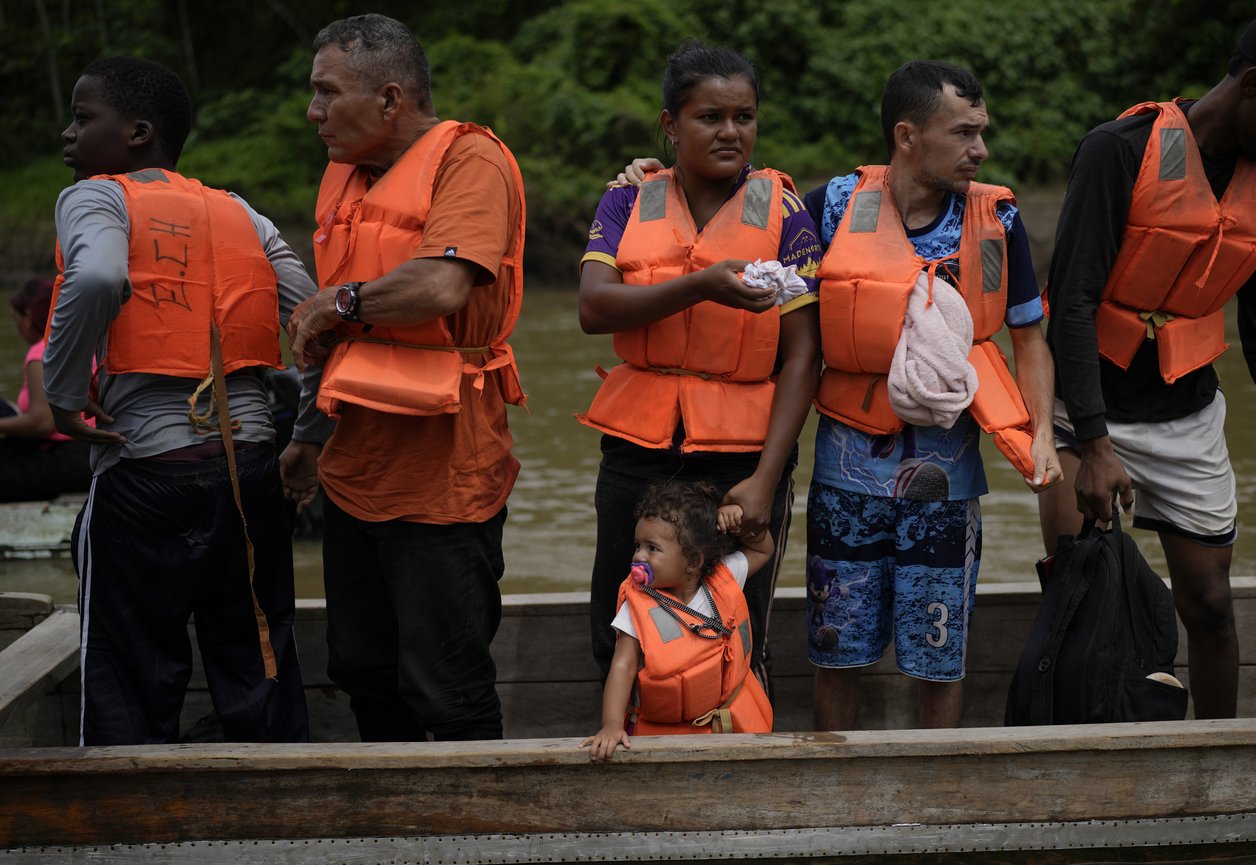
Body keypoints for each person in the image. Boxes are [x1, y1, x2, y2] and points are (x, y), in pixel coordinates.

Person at [1039, 6, 1256, 720]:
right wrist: (1091, 445)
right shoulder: (1118, 150)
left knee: (1213, 606)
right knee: (1082, 599)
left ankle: (1214, 766)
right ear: (1252, 83)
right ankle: (1077, 762)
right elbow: (1071, 303)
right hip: (1080, 415)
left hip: (1185, 416)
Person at [42, 56, 310, 745]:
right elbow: (312, 315)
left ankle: (129, 835)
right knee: (258, 660)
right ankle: (279, 820)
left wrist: (63, 399)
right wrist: (306, 431)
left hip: (146, 475)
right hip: (250, 469)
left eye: (81, 117)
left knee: (126, 670)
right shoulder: (240, 210)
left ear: (137, 133)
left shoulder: (95, 197)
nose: (68, 134)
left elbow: (97, 274)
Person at [284, 14, 527, 742]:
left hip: (444, 475)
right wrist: (304, 439)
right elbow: (326, 342)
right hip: (355, 468)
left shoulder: (470, 160)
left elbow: (442, 286)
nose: (313, 111)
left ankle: (477, 835)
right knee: (362, 666)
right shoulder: (343, 176)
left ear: (390, 99)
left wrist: (342, 298)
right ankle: (391, 822)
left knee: (446, 681)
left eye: (328, 93)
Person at [801, 61, 1060, 730]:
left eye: (983, 132)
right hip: (844, 474)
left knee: (938, 656)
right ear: (908, 135)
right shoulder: (830, 206)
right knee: (837, 650)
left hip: (944, 483)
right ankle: (836, 805)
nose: (981, 149)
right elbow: (756, 270)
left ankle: (931, 807)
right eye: (965, 133)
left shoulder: (997, 219)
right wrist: (648, 176)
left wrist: (1042, 438)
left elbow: (1029, 337)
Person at [577, 43, 822, 697]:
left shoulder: (787, 214)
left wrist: (766, 479)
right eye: (710, 116)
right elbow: (594, 307)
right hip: (636, 449)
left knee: (734, 627)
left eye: (744, 116)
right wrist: (700, 286)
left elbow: (804, 355)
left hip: (739, 459)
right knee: (621, 617)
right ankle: (624, 754)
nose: (730, 132)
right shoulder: (626, 201)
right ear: (670, 125)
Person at [582, 481, 775, 762]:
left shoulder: (724, 578)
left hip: (727, 728)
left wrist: (739, 521)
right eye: (638, 545)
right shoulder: (635, 608)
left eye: (652, 548)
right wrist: (611, 724)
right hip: (664, 738)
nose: (638, 556)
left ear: (694, 562)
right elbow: (622, 667)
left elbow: (762, 550)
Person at [0, 277, 92, 501]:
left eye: (16, 318)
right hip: (93, 452)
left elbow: (43, 423)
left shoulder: (40, 353)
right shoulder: (82, 342)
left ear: (28, 316)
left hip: (69, 459)